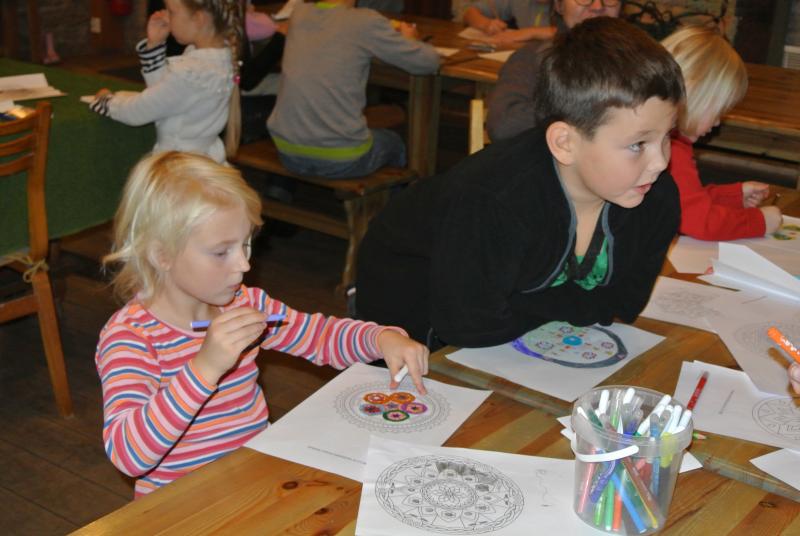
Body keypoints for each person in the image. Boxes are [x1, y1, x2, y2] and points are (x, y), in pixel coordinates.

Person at [96, 151, 429, 497]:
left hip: (254, 483)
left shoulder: (246, 305)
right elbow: (129, 455)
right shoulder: (132, 338)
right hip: (183, 506)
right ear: (161, 255)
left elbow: (318, 336)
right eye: (222, 252)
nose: (243, 265)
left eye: (245, 245)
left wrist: (379, 338)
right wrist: (203, 369)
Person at [355, 17, 684, 350]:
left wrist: (519, 302)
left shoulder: (657, 199)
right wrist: (571, 305)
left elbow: (623, 304)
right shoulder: (493, 199)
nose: (660, 162)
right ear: (565, 143)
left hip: (498, 330)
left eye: (667, 136)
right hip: (409, 320)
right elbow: (468, 326)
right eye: (637, 145)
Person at [267, 0, 440, 179]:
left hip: (287, 152)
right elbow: (428, 63)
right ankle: (401, 195)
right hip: (342, 158)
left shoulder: (299, 14)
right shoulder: (364, 21)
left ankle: (280, 188)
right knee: (396, 142)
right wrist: (410, 40)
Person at [661, 25, 782, 241]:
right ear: (695, 95)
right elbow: (701, 222)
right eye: (718, 111)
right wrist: (760, 221)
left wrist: (734, 196)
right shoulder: (672, 150)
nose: (718, 122)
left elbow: (686, 200)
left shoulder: (665, 141)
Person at [90, 0, 243, 163]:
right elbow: (166, 98)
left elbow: (139, 110)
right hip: (205, 162)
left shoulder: (191, 72)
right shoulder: (220, 59)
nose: (166, 17)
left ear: (198, 19)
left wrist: (107, 102)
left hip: (178, 167)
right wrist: (154, 45)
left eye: (172, 12)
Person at [486, 0, 621, 141]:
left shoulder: (634, 58)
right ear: (559, 5)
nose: (598, 6)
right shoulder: (532, 58)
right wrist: (589, 111)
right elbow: (504, 126)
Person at [462, 0, 556, 45]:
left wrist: (530, 33)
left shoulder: (564, 4)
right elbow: (469, 13)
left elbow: (565, 31)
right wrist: (486, 24)